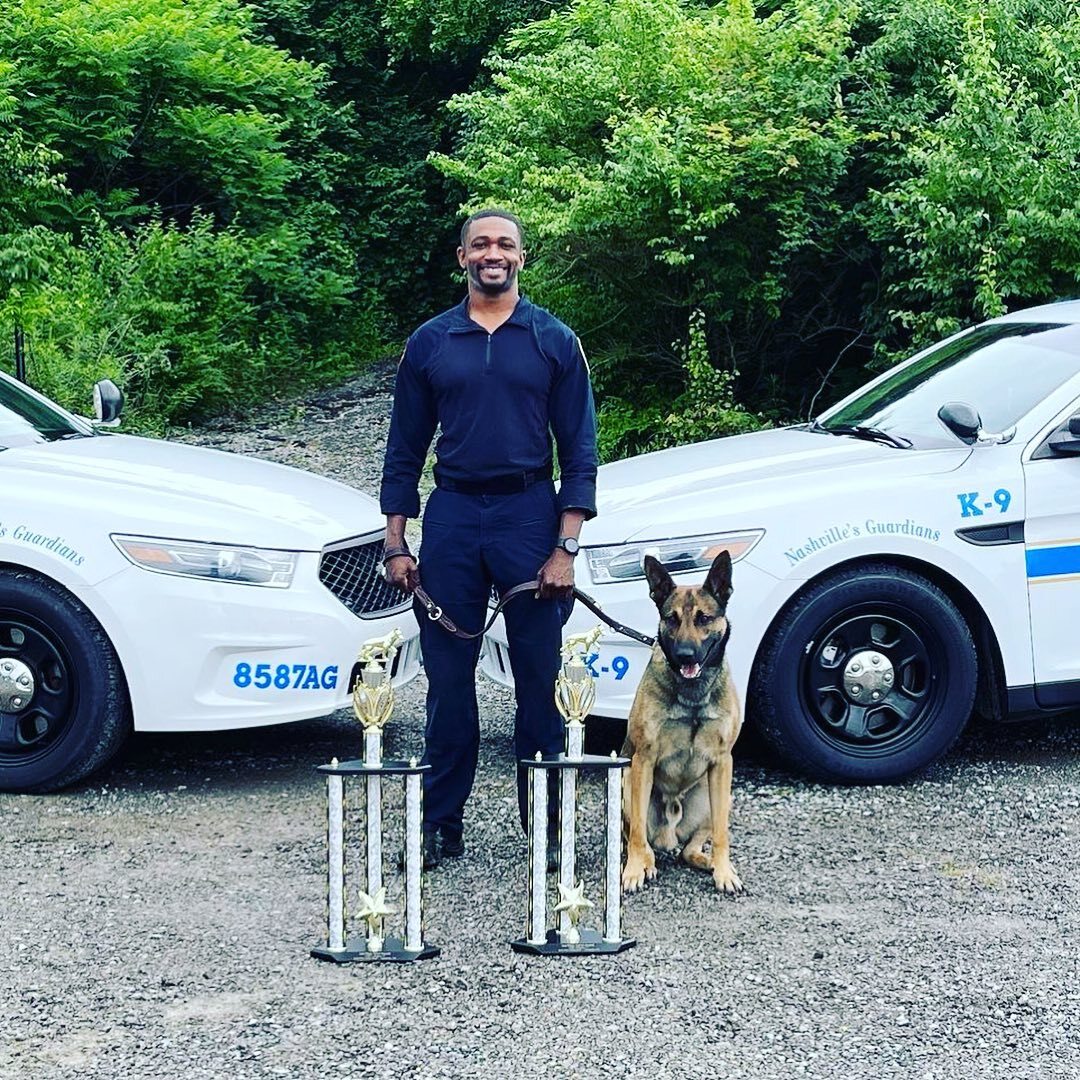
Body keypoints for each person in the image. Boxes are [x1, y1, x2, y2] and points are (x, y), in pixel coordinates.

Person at [379, 208, 598, 868]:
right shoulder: (430, 342)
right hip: (452, 517)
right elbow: (404, 448)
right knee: (448, 688)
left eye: (504, 244)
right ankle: (439, 825)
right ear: (463, 257)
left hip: (529, 514)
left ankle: (548, 830)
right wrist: (396, 541)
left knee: (539, 686)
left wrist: (565, 547)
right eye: (481, 245)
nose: (492, 254)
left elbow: (579, 451)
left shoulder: (554, 340)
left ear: (521, 257)